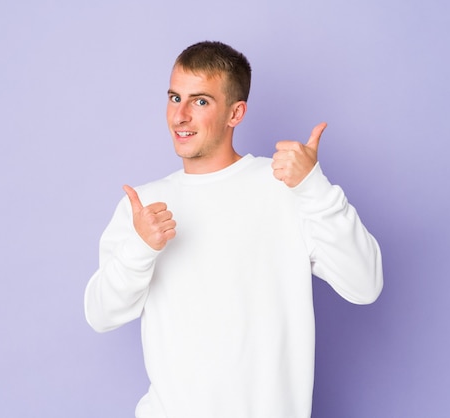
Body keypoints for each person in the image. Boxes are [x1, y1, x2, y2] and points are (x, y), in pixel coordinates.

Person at [84, 40, 383, 418]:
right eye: (175, 98)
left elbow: (365, 285)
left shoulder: (288, 188)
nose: (180, 116)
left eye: (201, 101)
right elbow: (100, 314)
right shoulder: (144, 205)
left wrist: (316, 190)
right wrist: (140, 249)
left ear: (235, 113)